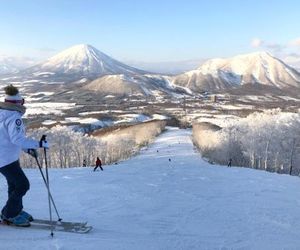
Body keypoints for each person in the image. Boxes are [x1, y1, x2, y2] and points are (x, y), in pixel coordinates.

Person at [0, 85, 49, 227]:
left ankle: (15, 211)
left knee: (14, 184)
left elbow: (6, 138)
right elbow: (17, 139)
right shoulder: (15, 117)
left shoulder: (2, 113)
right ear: (18, 103)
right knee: (23, 185)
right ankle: (10, 214)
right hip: (6, 159)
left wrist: (27, 149)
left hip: (6, 157)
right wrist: (39, 144)